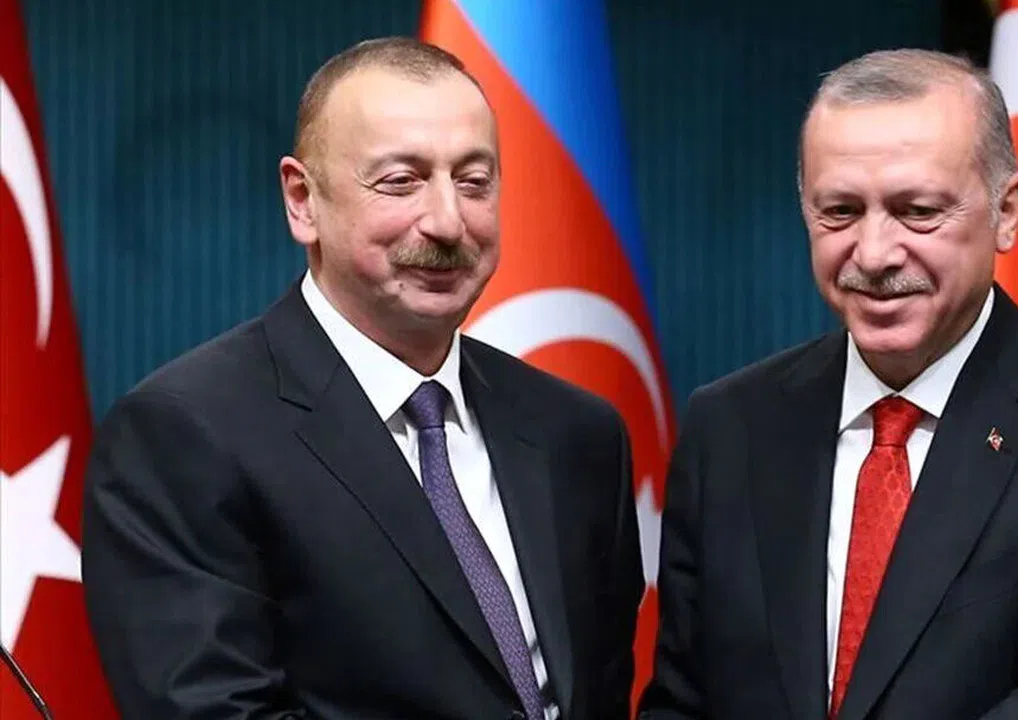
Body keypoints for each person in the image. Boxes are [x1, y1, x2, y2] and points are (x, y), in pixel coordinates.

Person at [82, 37, 642, 720]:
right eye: (401, 181)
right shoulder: (184, 435)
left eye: (474, 181)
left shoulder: (578, 434)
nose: (447, 221)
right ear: (302, 201)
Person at [639, 49, 1018, 719]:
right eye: (840, 211)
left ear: (1006, 211)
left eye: (918, 211)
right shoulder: (729, 426)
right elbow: (682, 702)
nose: (874, 254)